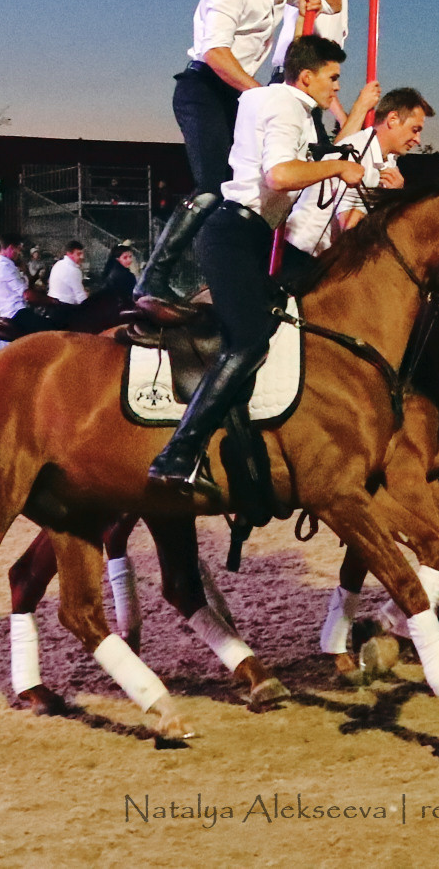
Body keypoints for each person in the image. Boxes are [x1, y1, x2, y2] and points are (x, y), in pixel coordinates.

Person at [146, 35, 365, 529]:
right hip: (234, 235)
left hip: (248, 234)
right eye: (332, 78)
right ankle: (179, 452)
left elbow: (314, 157)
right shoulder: (285, 107)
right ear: (306, 76)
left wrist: (343, 148)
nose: (336, 87)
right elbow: (281, 175)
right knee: (247, 342)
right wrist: (337, 167)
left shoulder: (284, 105)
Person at [135, 0, 390, 310]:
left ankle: (245, 275)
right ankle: (152, 278)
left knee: (254, 192)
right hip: (206, 88)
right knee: (213, 187)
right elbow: (216, 53)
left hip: (240, 92)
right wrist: (260, 96)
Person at [286, 85, 430, 258]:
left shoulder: (389, 161)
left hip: (329, 259)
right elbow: (351, 228)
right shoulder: (357, 153)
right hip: (303, 257)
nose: (418, 140)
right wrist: (391, 202)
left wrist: (396, 196)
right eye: (415, 130)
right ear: (392, 119)